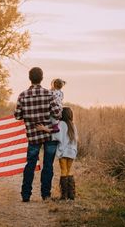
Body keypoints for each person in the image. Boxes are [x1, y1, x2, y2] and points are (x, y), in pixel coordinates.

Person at [14, 67, 62, 202]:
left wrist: (29, 114)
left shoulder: (23, 95)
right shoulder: (49, 94)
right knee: (48, 165)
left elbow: (17, 116)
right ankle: (45, 195)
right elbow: (58, 114)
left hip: (33, 136)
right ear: (42, 78)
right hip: (48, 135)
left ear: (30, 78)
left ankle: (26, 195)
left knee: (30, 164)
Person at [36, 107, 78, 200]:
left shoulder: (62, 124)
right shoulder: (73, 125)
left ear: (62, 115)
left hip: (64, 151)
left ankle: (64, 196)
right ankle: (71, 195)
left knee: (63, 170)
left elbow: (55, 134)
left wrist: (44, 128)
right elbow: (76, 139)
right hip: (72, 151)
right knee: (69, 171)